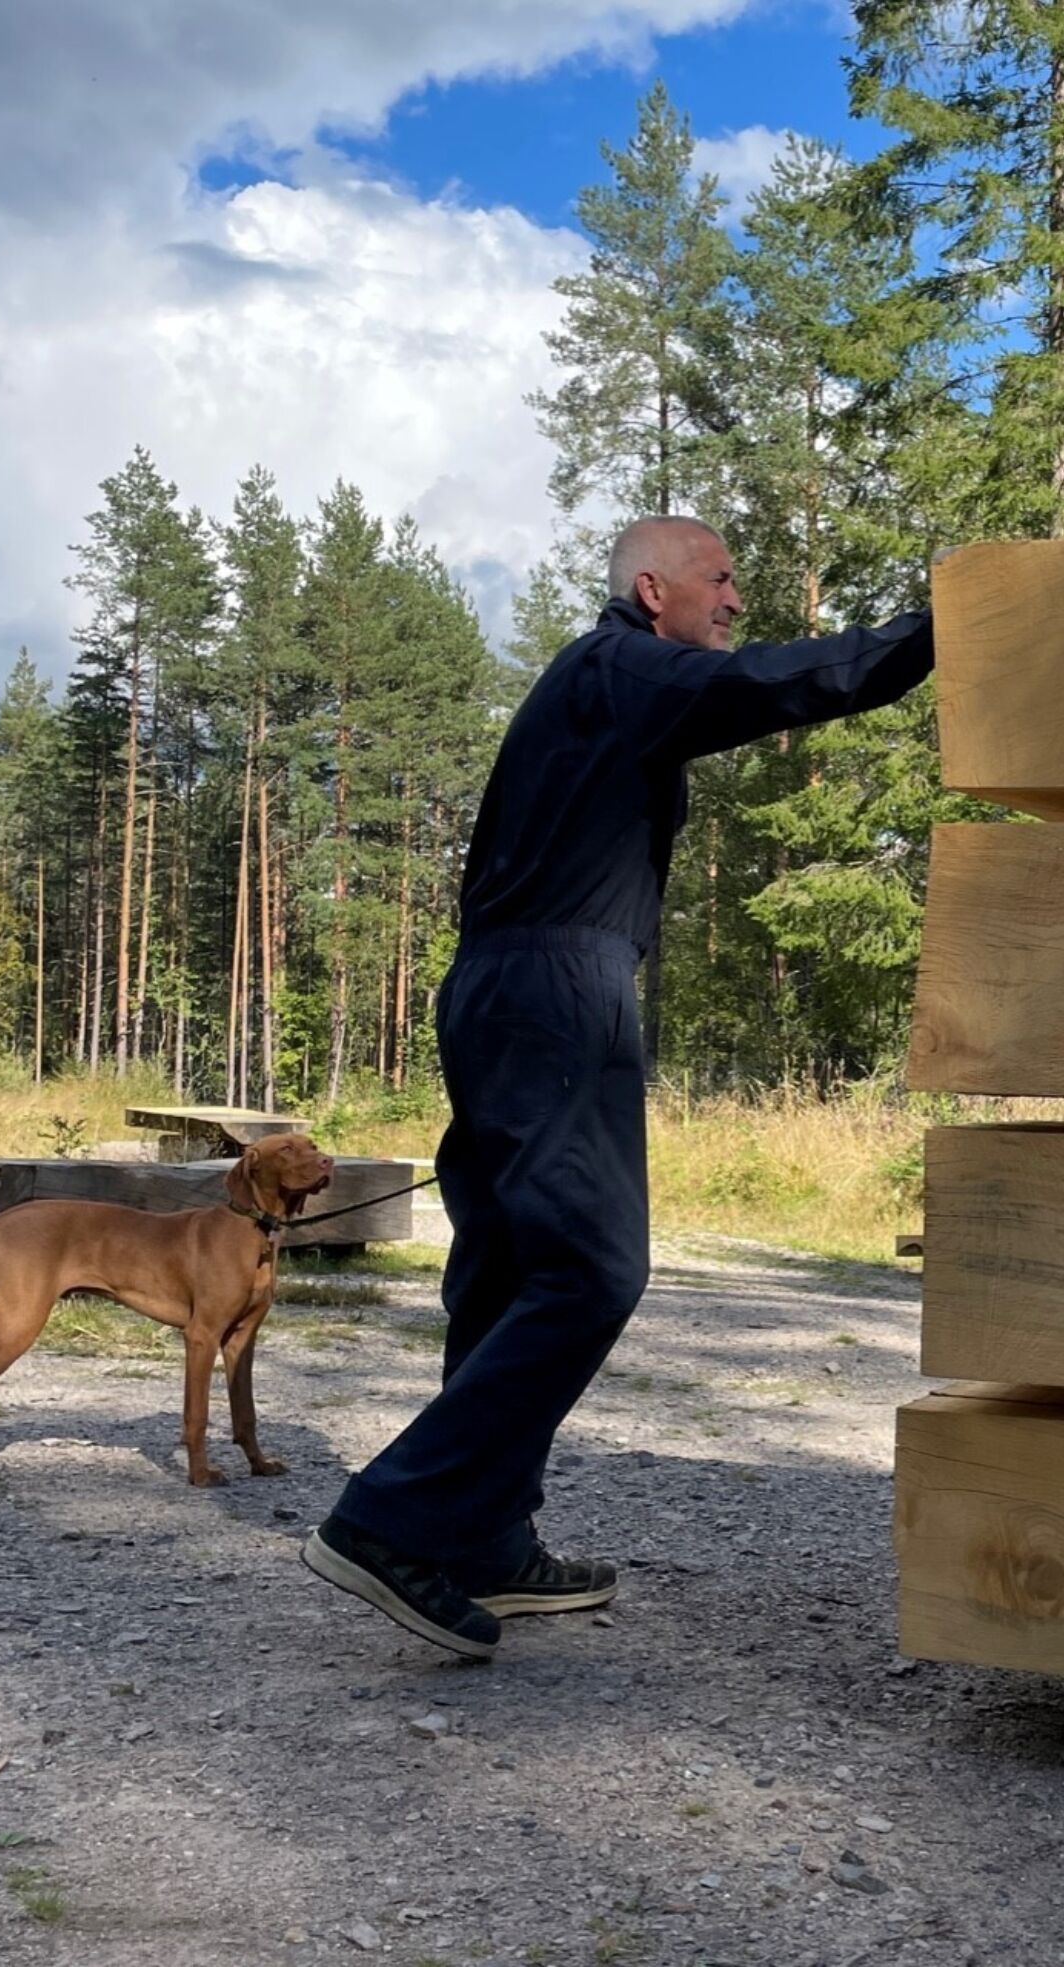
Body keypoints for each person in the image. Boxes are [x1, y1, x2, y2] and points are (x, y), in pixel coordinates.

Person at [302, 515, 934, 1659]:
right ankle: (388, 1520)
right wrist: (927, 637)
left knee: (505, 1270)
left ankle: (483, 1535)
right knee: (595, 1267)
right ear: (655, 590)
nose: (735, 599)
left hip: (503, 983)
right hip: (554, 985)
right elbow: (759, 684)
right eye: (721, 578)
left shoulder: (594, 684)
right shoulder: (622, 664)